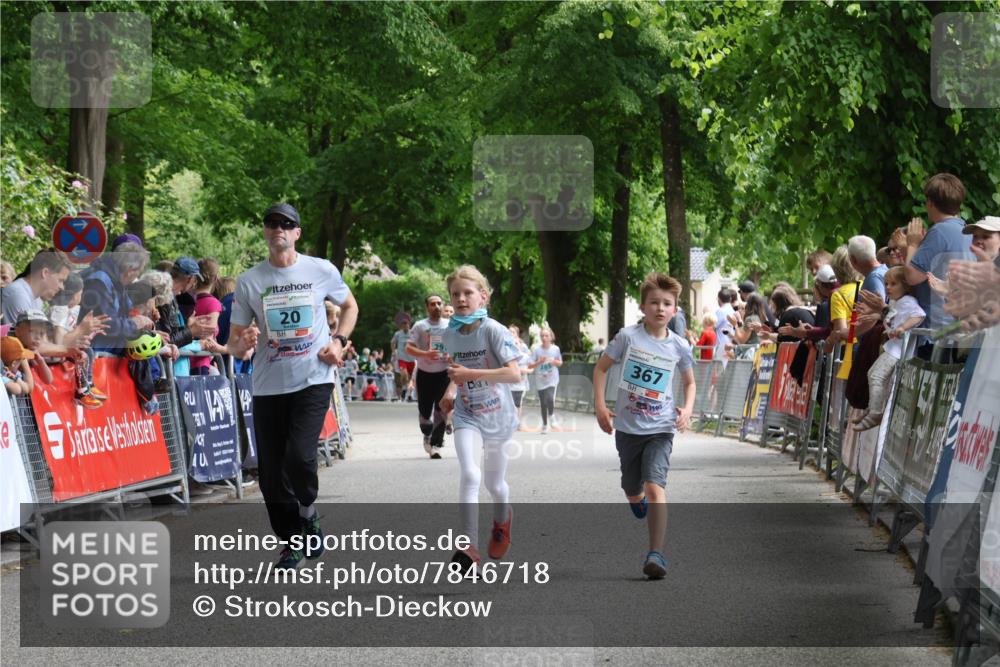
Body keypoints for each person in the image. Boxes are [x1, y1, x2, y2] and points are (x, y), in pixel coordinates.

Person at [210, 203, 358, 571]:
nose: (279, 228)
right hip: (268, 385)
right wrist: (243, 341)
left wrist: (338, 341)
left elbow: (350, 306)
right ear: (265, 231)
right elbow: (235, 343)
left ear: (297, 233)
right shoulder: (250, 280)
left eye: (287, 223)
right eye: (272, 223)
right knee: (272, 477)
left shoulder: (320, 270)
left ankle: (308, 512)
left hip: (313, 378)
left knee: (300, 458)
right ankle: (291, 543)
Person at [592, 272, 696, 580]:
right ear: (642, 307)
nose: (660, 308)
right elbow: (600, 369)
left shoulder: (679, 346)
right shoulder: (627, 337)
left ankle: (656, 554)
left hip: (661, 428)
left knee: (655, 486)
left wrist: (688, 410)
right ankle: (636, 499)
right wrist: (600, 406)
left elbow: (690, 382)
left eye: (667, 303)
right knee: (632, 488)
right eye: (654, 302)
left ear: (675, 310)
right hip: (628, 429)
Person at [437, 265, 521, 572]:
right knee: (470, 474)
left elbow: (514, 374)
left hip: (498, 417)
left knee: (494, 484)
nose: (461, 299)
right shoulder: (450, 334)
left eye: (468, 293)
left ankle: (502, 520)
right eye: (455, 294)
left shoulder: (493, 330)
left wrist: (471, 374)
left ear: (483, 297)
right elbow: (456, 371)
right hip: (467, 414)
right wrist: (450, 390)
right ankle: (468, 546)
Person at [904, 173, 974, 349]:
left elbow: (912, 276)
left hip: (934, 332)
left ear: (930, 203)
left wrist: (912, 244)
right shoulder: (968, 231)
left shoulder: (940, 232)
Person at [852, 266, 926, 431]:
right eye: (886, 284)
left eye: (893, 284)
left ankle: (875, 412)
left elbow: (919, 315)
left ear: (905, 285)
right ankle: (874, 408)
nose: (888, 287)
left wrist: (903, 328)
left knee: (876, 376)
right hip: (892, 348)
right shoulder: (895, 302)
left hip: (898, 351)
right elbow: (891, 316)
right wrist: (876, 315)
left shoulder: (907, 302)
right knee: (873, 374)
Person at [79, 242, 154, 354]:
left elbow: (120, 319)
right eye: (138, 272)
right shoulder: (99, 281)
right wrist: (134, 324)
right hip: (92, 352)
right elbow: (106, 325)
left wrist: (148, 334)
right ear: (130, 270)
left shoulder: (116, 281)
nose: (136, 277)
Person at [406, 295, 452, 459]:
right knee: (425, 411)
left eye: (439, 303)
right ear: (427, 307)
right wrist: (426, 354)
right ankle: (427, 432)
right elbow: (409, 348)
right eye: (433, 304)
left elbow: (457, 346)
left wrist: (451, 355)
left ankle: (436, 445)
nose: (437, 306)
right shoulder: (420, 326)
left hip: (444, 373)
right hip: (425, 374)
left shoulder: (450, 325)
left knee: (441, 408)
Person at [1, 248, 71, 326]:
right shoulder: (19, 295)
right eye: (60, 280)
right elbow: (31, 334)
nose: (62, 287)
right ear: (45, 273)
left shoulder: (36, 299)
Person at [824, 246, 863, 380]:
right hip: (870, 344)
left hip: (850, 350)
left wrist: (829, 342)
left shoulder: (838, 295)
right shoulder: (867, 285)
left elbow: (840, 331)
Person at [190, 258, 223, 375]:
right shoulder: (213, 303)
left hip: (184, 361)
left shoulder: (188, 300)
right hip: (200, 361)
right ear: (216, 278)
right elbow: (209, 336)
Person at [528, 327, 562, 434]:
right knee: (543, 403)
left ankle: (551, 415)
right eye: (542, 335)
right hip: (540, 379)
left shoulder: (555, 349)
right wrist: (539, 362)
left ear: (551, 337)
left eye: (546, 335)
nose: (544, 338)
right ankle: (545, 425)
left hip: (552, 379)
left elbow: (560, 363)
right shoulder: (537, 350)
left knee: (550, 398)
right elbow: (530, 365)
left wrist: (553, 361)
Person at [507, 324, 532, 422]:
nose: (510, 333)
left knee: (517, 403)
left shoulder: (523, 347)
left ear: (517, 334)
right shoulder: (505, 345)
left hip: (520, 382)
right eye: (509, 331)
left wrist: (523, 370)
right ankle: (511, 421)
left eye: (512, 332)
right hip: (508, 381)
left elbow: (528, 360)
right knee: (509, 403)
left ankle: (517, 421)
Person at [391, 315, 416, 401]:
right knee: (404, 375)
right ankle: (404, 390)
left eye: (407, 324)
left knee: (411, 378)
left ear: (409, 325)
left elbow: (418, 343)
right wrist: (393, 351)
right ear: (402, 326)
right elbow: (392, 342)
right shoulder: (398, 334)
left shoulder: (413, 333)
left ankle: (408, 393)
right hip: (402, 358)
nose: (405, 325)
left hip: (412, 359)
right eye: (404, 324)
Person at [713, 288, 737, 359]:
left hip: (721, 346)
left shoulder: (720, 311)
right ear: (730, 299)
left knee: (720, 365)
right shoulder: (733, 311)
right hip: (731, 344)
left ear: (719, 299)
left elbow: (713, 326)